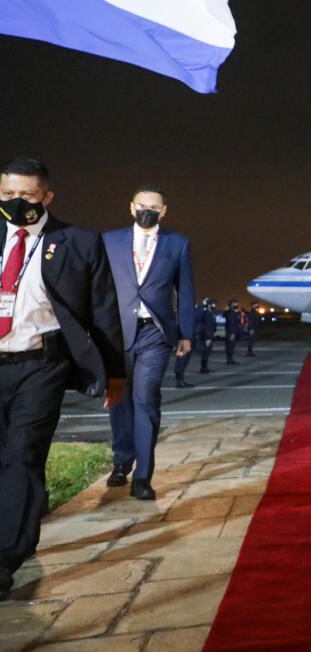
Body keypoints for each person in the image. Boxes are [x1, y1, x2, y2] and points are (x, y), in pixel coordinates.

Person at [0, 158, 125, 599]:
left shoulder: (77, 242)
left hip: (41, 365)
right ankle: (21, 527)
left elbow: (104, 311)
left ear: (47, 197)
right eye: (7, 194)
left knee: (22, 456)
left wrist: (114, 374)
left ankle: (5, 558)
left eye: (27, 196)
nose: (16, 203)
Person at [103, 186, 195, 500]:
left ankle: (143, 476)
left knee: (146, 399)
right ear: (131, 207)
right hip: (117, 332)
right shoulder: (109, 241)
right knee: (118, 397)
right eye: (142, 205)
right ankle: (122, 459)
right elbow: (97, 288)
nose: (147, 211)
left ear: (164, 210)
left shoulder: (177, 244)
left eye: (154, 207)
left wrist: (186, 333)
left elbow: (185, 290)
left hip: (155, 333)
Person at [172, 300, 199, 389]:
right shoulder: (181, 315)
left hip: (187, 338)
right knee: (181, 359)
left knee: (184, 360)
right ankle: (179, 381)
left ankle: (180, 380)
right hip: (182, 338)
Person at [195, 299, 217, 374]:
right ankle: (203, 369)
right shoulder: (207, 314)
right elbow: (208, 326)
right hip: (206, 336)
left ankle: (205, 368)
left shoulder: (210, 313)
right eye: (213, 304)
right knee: (205, 352)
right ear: (209, 305)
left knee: (207, 353)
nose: (214, 306)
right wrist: (208, 337)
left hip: (207, 335)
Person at [223, 300, 241, 365]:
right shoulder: (232, 313)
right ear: (232, 305)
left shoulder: (229, 312)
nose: (237, 306)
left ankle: (230, 359)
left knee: (230, 346)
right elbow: (232, 324)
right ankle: (229, 360)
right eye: (235, 304)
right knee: (230, 346)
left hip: (229, 332)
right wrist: (232, 333)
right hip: (231, 332)